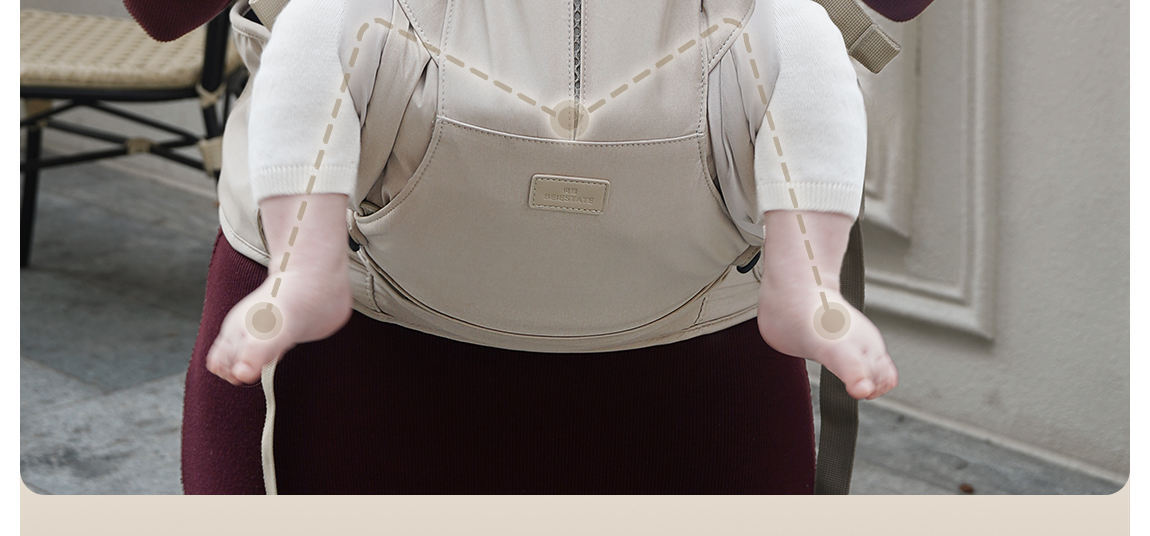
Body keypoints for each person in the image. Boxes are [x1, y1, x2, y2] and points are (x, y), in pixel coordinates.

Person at [119, 0, 930, 494]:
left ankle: (806, 279)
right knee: (318, 21)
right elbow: (162, 12)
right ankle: (306, 265)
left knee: (805, 36)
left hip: (700, 344)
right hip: (359, 352)